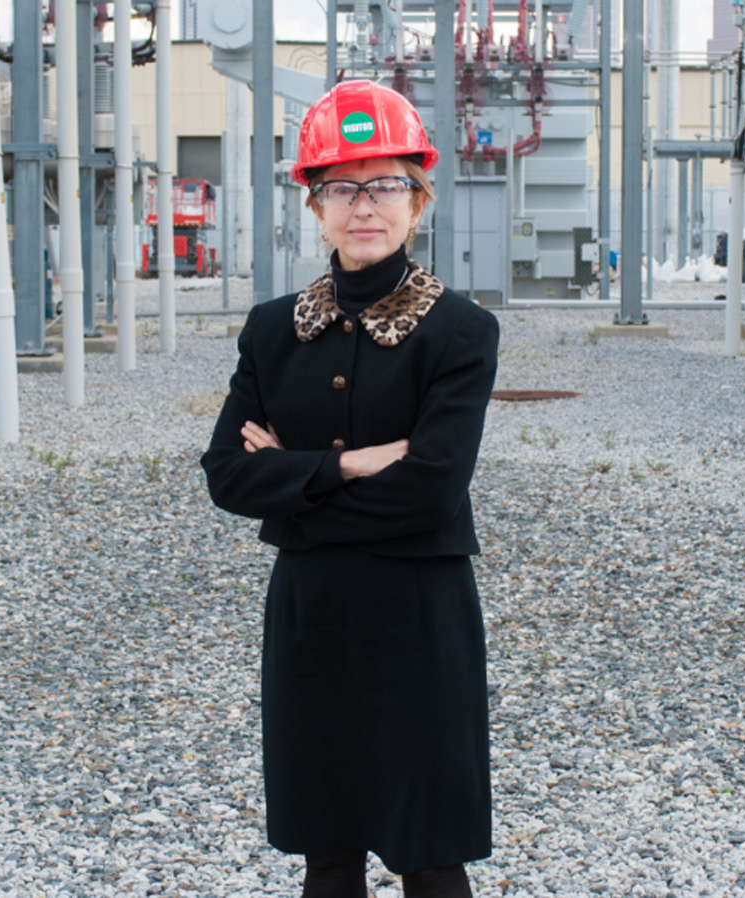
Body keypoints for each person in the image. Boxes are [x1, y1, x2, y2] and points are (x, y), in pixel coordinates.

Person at [198, 80, 501, 898]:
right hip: (314, 614)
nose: (364, 206)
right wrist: (348, 465)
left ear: (419, 200)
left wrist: (292, 484)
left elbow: (432, 491)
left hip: (419, 613)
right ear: (314, 203)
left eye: (387, 184)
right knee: (325, 843)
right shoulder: (272, 328)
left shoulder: (460, 330)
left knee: (430, 848)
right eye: (342, 186)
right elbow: (227, 473)